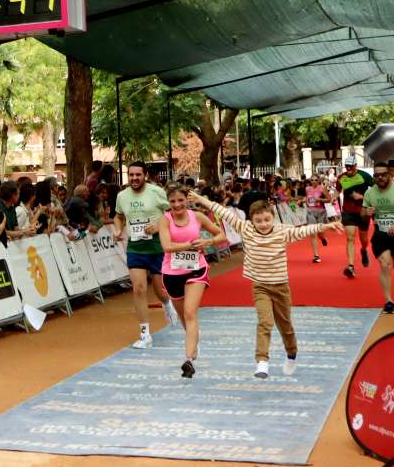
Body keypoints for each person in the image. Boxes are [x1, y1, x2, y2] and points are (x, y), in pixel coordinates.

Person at [191, 191, 343, 378]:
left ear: (273, 218)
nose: (263, 224)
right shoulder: (244, 228)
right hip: (260, 286)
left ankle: (291, 354)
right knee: (265, 322)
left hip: (280, 286)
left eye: (267, 220)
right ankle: (262, 361)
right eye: (259, 221)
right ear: (251, 221)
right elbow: (222, 211)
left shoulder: (282, 231)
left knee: (285, 325)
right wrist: (201, 199)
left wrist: (327, 225)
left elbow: (304, 230)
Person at [155, 186, 224, 378]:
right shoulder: (164, 220)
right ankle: (194, 341)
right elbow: (167, 246)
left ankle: (188, 360)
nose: (177, 205)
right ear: (168, 203)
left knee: (190, 312)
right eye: (173, 201)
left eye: (180, 200)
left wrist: (207, 243)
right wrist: (192, 245)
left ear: (187, 200)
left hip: (196, 270)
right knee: (185, 318)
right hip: (171, 273)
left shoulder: (198, 217)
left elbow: (221, 235)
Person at [113, 162, 181, 349]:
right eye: (131, 174)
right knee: (139, 289)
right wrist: (118, 229)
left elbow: (172, 213)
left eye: (138, 175)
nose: (134, 178)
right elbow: (118, 215)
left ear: (145, 175)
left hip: (157, 246)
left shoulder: (156, 192)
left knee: (160, 289)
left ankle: (167, 305)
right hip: (135, 248)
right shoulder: (122, 196)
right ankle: (145, 335)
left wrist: (158, 226)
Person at [363, 162, 394, 314]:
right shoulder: (370, 193)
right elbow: (363, 213)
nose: (380, 178)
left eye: (383, 174)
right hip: (381, 233)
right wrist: (366, 212)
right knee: (385, 265)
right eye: (377, 175)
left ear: (390, 174)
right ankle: (389, 301)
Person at [339, 155, 374, 278]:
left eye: (350, 166)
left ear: (355, 166)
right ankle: (351, 266)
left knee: (364, 239)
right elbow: (337, 191)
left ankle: (364, 250)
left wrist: (362, 197)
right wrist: (331, 195)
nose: (348, 168)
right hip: (348, 211)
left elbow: (376, 191)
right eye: (346, 166)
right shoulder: (341, 177)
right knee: (350, 237)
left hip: (362, 211)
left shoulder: (365, 176)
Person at [304, 175, 331, 263]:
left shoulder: (322, 188)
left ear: (318, 180)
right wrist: (302, 201)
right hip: (310, 212)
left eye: (315, 180)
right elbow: (307, 198)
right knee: (312, 233)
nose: (314, 181)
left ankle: (323, 238)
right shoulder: (307, 189)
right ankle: (316, 255)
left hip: (321, 212)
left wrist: (320, 199)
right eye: (312, 180)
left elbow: (329, 199)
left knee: (320, 233)